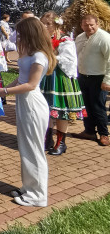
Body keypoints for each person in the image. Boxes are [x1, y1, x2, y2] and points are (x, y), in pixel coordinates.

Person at [0, 17, 56, 207]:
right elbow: (21, 80)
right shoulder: (29, 52)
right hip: (24, 102)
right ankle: (29, 187)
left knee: (34, 149)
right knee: (25, 147)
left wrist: (4, 92)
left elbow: (30, 85)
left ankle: (38, 195)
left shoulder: (39, 56)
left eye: (20, 33)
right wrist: (3, 89)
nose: (17, 36)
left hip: (33, 104)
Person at [40, 11, 85, 156]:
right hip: (46, 76)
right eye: (43, 23)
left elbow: (69, 59)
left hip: (60, 77)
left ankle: (61, 142)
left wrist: (51, 56)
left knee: (60, 111)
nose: (45, 26)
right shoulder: (42, 38)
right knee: (45, 110)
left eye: (48, 24)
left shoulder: (65, 39)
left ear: (56, 25)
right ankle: (47, 139)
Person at [75, 14, 110, 146]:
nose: (89, 27)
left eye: (91, 25)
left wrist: (108, 80)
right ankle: (89, 131)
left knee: (98, 107)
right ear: (81, 25)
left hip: (99, 78)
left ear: (97, 24)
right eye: (85, 25)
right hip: (83, 77)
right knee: (86, 106)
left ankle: (104, 134)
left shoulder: (105, 38)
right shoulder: (80, 37)